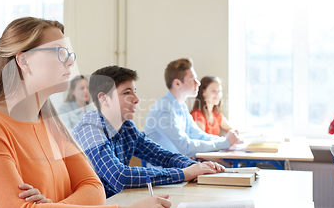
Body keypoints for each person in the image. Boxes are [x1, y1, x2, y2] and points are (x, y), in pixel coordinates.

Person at [0, 17, 171, 208]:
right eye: (60, 52)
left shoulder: (51, 122)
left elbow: (94, 188)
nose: (71, 60)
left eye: (70, 53)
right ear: (23, 60)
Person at [72, 66, 224, 198]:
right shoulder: (90, 129)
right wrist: (184, 173)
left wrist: (196, 167)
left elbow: (163, 156)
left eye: (135, 92)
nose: (137, 99)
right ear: (104, 99)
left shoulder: (127, 128)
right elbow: (119, 176)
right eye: (127, 93)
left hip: (114, 205)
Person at [144, 58, 240, 158]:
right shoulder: (164, 109)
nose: (197, 83)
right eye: (192, 80)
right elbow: (185, 147)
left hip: (181, 166)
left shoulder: (181, 106)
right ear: (177, 83)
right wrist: (225, 143)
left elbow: (199, 135)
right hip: (166, 170)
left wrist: (227, 141)